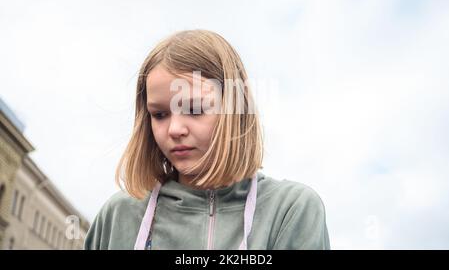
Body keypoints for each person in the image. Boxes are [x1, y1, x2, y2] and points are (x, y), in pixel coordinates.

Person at [83, 29, 330, 250]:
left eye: (194, 109)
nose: (175, 129)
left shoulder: (291, 210)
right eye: (159, 115)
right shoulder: (118, 216)